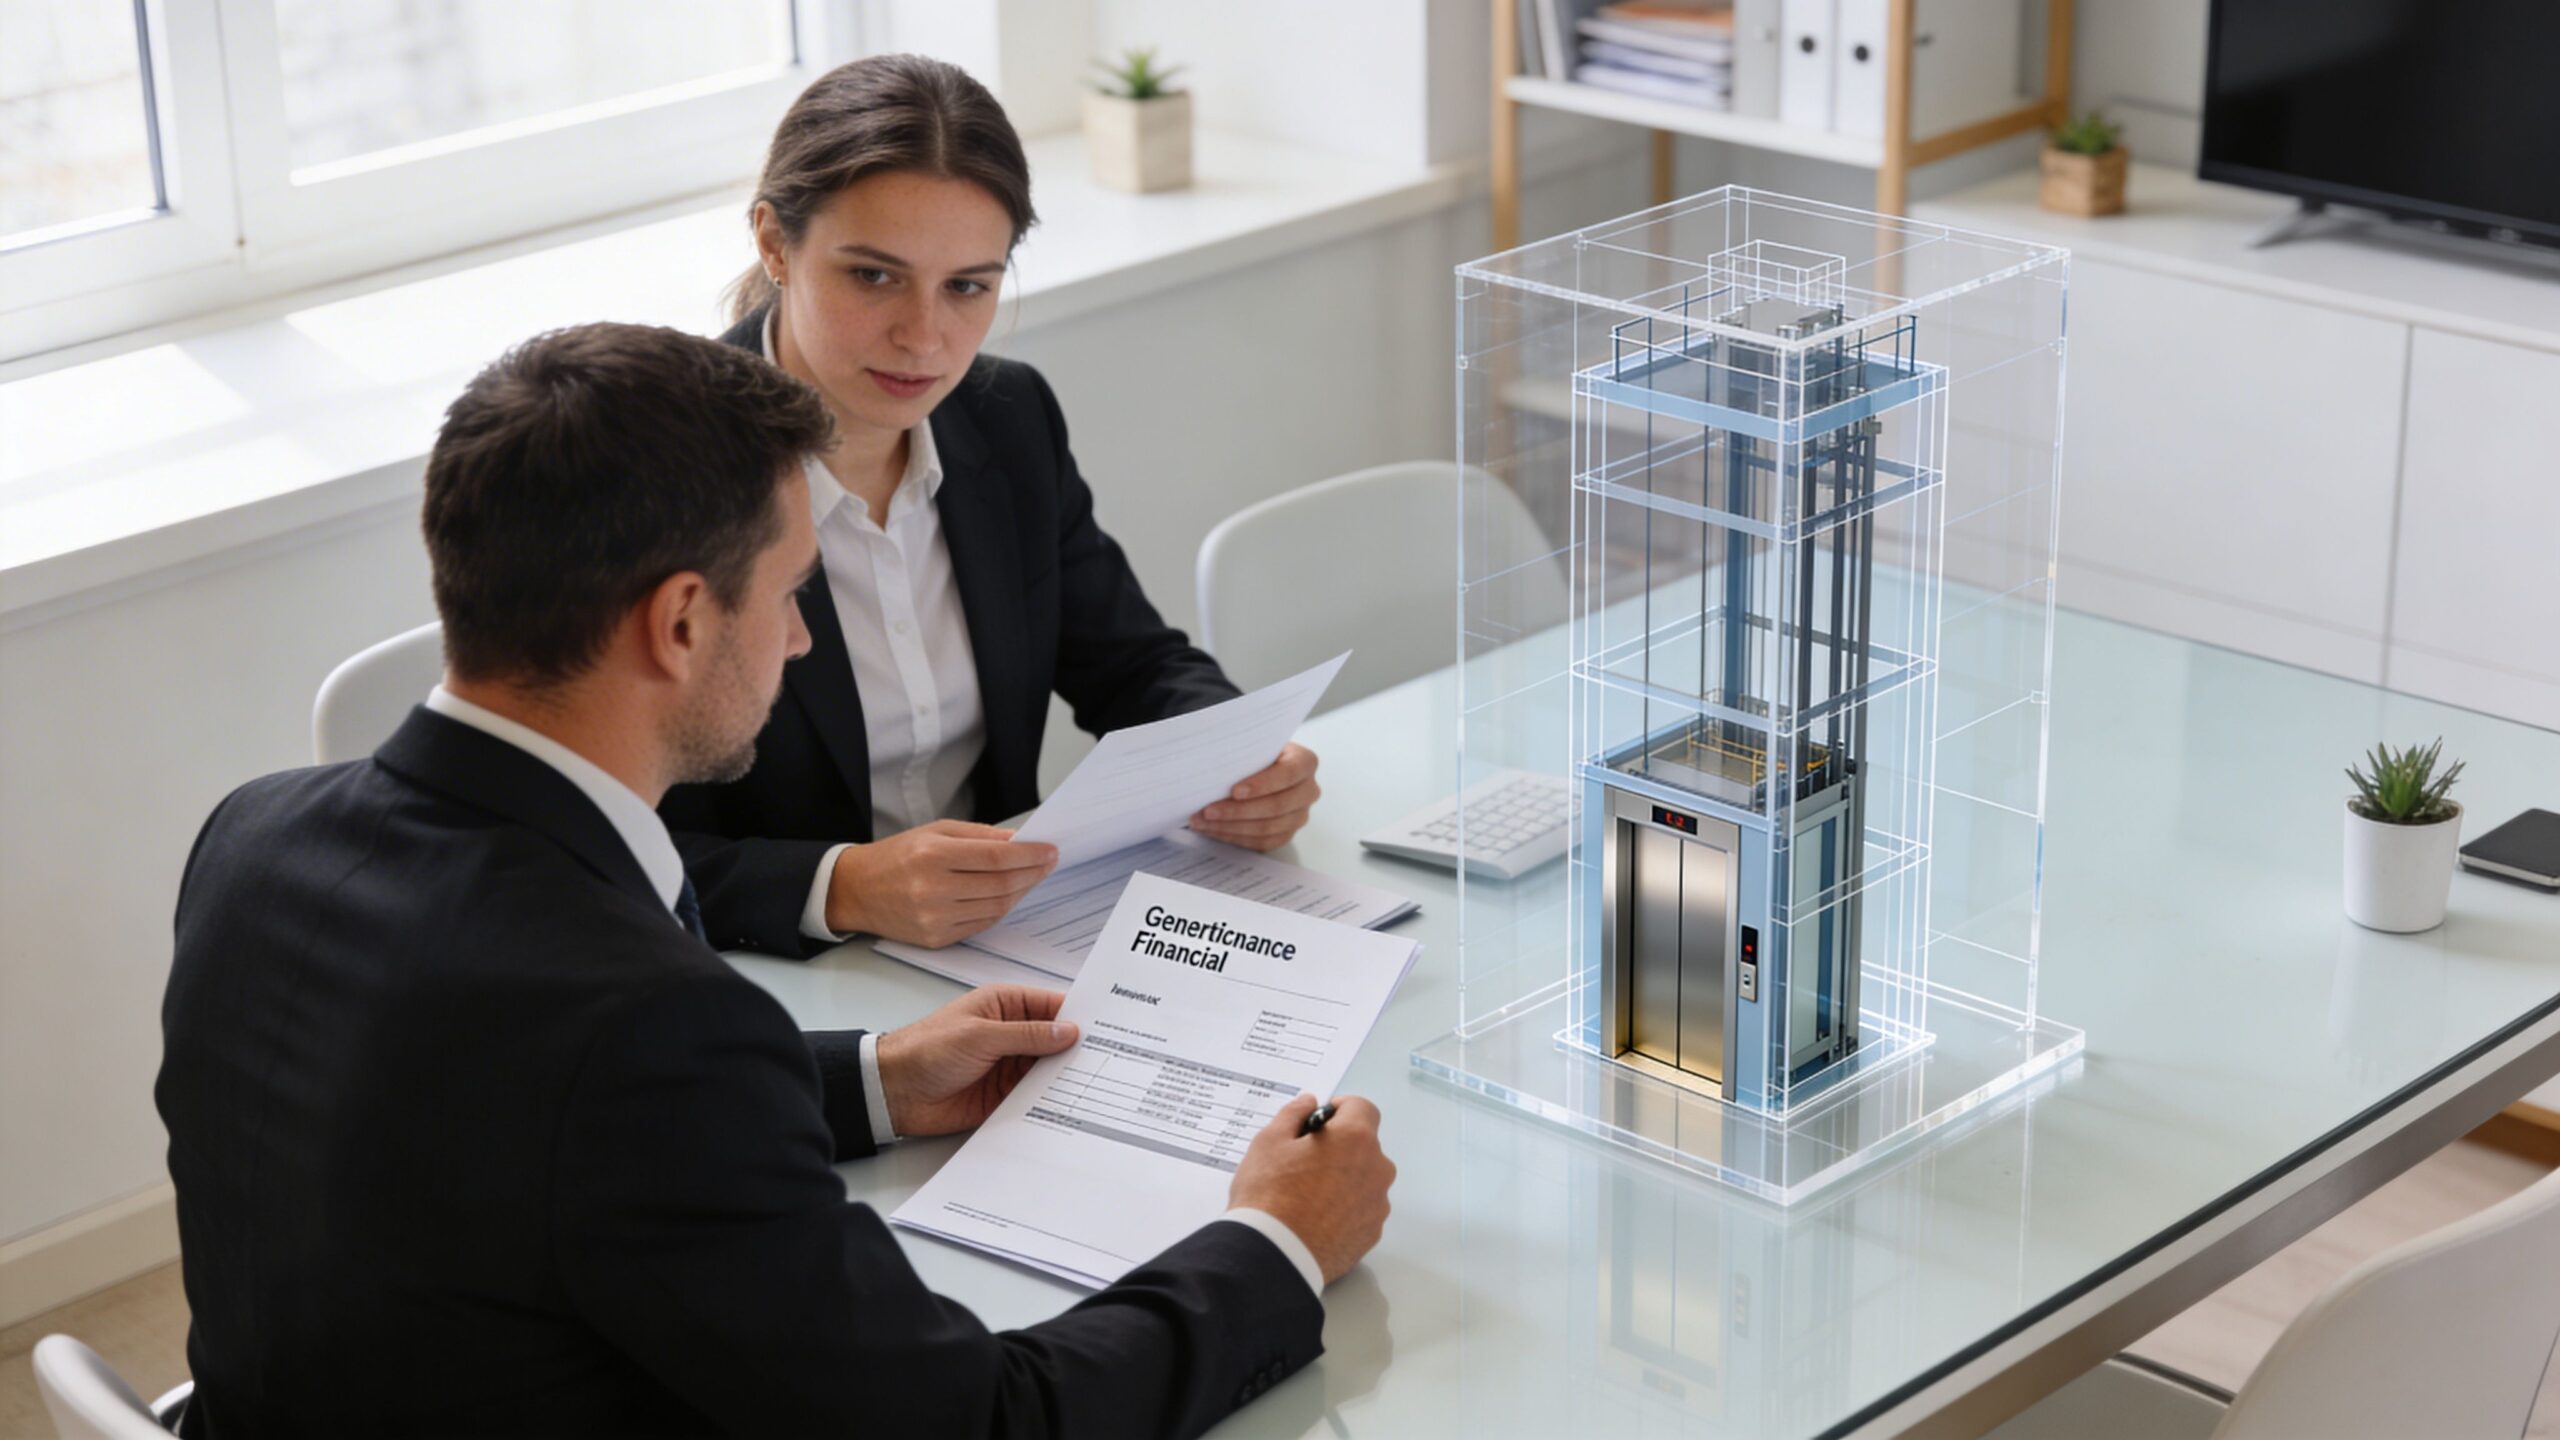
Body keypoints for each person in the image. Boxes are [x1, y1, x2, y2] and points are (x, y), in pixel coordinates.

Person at [155, 322, 1395, 1438]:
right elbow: (977, 1425)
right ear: (682, 621)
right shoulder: (644, 1026)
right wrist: (1274, 1241)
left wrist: (875, 1080)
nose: (801, 638)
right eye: (793, 594)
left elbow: (499, 1116)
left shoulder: (254, 839)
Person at [661, 54, 1321, 957]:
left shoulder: (1007, 420)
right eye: (873, 276)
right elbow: (594, 847)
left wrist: (1233, 762)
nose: (925, 337)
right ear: (775, 244)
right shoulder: (657, 469)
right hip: (779, 986)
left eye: (968, 285)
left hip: (1009, 946)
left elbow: (1131, 664)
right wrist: (840, 885)